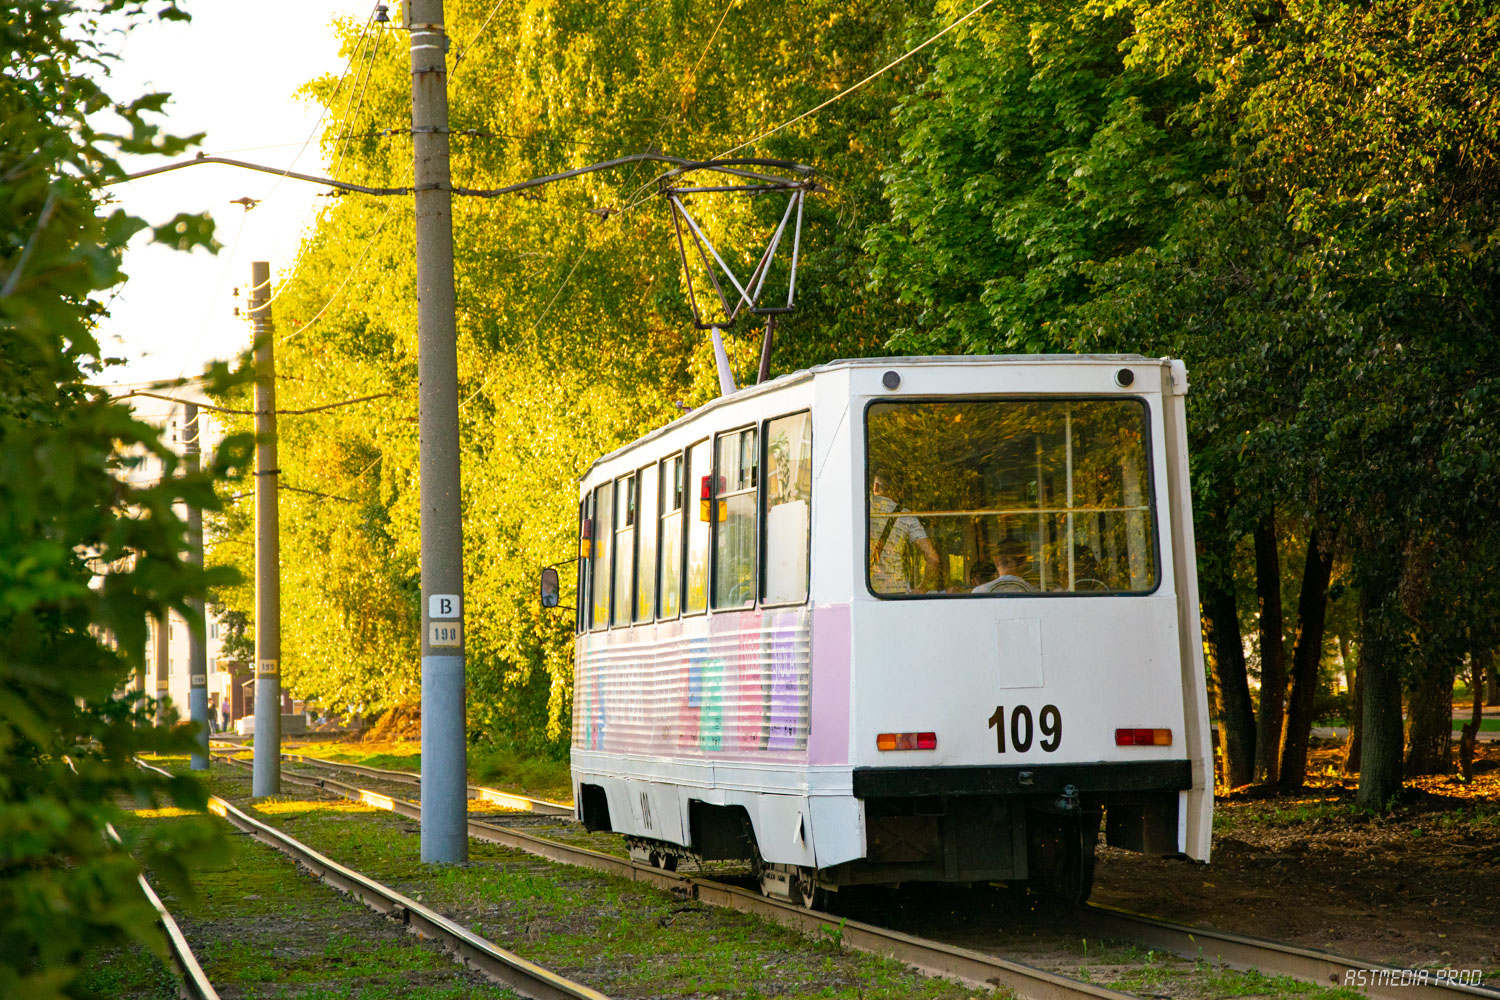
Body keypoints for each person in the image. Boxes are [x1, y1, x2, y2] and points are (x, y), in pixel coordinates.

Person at [868, 469, 940, 594]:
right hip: (897, 591)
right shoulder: (906, 516)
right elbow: (933, 558)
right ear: (899, 491)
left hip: (866, 590)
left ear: (876, 486)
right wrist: (922, 588)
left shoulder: (863, 511)